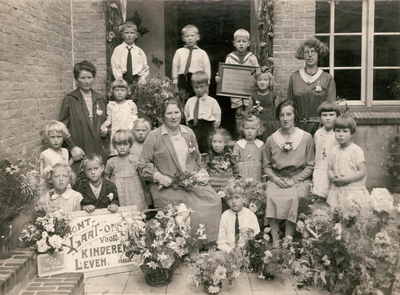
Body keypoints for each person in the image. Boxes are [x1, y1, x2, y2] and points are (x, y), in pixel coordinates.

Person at [138, 98, 221, 243]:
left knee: (214, 200)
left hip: (191, 184)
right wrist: (158, 176)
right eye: (169, 113)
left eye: (176, 112)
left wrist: (201, 172)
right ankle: (191, 247)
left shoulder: (188, 132)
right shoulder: (154, 136)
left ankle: (209, 243)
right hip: (169, 187)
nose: (173, 116)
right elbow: (142, 164)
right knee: (190, 213)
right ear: (162, 116)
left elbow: (197, 158)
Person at [262, 100, 315, 248]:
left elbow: (310, 165)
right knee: (270, 194)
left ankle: (288, 238)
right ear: (278, 117)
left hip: (298, 179)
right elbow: (266, 166)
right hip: (277, 178)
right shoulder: (271, 139)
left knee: (293, 196)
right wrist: (274, 179)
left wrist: (295, 180)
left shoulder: (305, 138)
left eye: (289, 114)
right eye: (281, 115)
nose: (285, 118)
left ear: (294, 116)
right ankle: (275, 239)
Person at [59, 60, 108, 172]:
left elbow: (107, 122)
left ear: (94, 77)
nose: (87, 81)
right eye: (83, 78)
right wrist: (72, 147)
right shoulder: (70, 99)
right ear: (76, 79)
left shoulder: (100, 99)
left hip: (98, 152)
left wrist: (106, 130)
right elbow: (61, 127)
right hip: (80, 153)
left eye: (90, 77)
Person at [287, 38, 336, 135]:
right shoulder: (294, 77)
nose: (310, 55)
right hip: (298, 128)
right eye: (306, 52)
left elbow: (331, 107)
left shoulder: (327, 78)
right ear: (303, 55)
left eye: (313, 52)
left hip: (320, 128)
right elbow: (289, 105)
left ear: (319, 54)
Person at [216, 29, 259, 138]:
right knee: (239, 112)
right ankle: (239, 134)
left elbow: (257, 72)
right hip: (235, 90)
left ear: (248, 43)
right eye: (238, 41)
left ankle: (248, 134)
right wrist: (219, 79)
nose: (241, 44)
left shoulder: (251, 57)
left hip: (248, 90)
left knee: (248, 111)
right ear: (234, 43)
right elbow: (225, 74)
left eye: (244, 41)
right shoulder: (230, 58)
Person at [327, 115, 371, 216]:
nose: (341, 134)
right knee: (337, 218)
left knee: (354, 218)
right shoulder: (333, 150)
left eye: (345, 131)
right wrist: (333, 177)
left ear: (352, 133)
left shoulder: (356, 150)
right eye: (338, 131)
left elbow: (362, 172)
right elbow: (329, 169)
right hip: (337, 190)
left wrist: (345, 180)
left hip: (353, 191)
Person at [104, 130, 146, 210]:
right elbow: (106, 177)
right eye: (119, 144)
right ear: (114, 145)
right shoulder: (111, 161)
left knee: (136, 212)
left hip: (134, 192)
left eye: (125, 144)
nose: (122, 147)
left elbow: (142, 177)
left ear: (130, 145)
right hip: (119, 191)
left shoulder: (135, 159)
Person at [217, 180, 260, 253]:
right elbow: (221, 242)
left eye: (237, 197)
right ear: (226, 201)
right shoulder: (225, 215)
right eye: (230, 198)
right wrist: (230, 251)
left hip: (247, 251)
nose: (233, 201)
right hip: (228, 252)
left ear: (243, 198)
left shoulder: (250, 215)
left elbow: (257, 237)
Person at [184, 71, 221, 153]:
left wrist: (211, 129)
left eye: (202, 86)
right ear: (192, 86)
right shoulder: (190, 101)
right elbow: (187, 115)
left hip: (207, 128)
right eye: (196, 87)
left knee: (207, 150)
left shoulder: (212, 101)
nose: (199, 90)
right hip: (193, 128)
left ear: (207, 85)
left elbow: (217, 117)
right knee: (193, 149)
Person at [101, 79, 138, 157]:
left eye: (122, 90)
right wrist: (103, 125)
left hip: (128, 134)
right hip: (116, 134)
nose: (120, 92)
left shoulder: (131, 104)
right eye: (117, 90)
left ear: (127, 91)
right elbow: (108, 120)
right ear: (112, 91)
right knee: (117, 157)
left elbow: (135, 121)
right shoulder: (111, 105)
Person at [172, 25, 211, 98]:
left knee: (197, 99)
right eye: (187, 36)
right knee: (182, 100)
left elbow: (207, 69)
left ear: (197, 37)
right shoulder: (179, 52)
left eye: (192, 35)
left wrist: (207, 85)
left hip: (197, 81)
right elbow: (175, 68)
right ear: (183, 38)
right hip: (182, 80)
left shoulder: (202, 53)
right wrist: (175, 83)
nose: (190, 38)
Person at [312, 102, 340, 198]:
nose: (328, 118)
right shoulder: (318, 133)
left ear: (337, 116)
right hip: (320, 168)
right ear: (320, 117)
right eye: (324, 115)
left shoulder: (338, 134)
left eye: (331, 115)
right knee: (319, 196)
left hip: (333, 170)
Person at [39, 121, 73, 194]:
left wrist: (72, 159)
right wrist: (47, 171)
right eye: (52, 137)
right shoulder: (46, 155)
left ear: (63, 137)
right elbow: (49, 174)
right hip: (52, 187)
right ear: (47, 138)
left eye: (59, 136)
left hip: (62, 183)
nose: (56, 140)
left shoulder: (65, 151)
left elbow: (65, 167)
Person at [249, 67, 278, 141]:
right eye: (259, 80)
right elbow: (247, 114)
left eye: (265, 80)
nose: (262, 82)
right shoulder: (253, 96)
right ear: (256, 81)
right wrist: (252, 112)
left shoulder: (274, 95)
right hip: (257, 126)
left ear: (270, 81)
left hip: (271, 126)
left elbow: (278, 113)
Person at [130, 118, 153, 208]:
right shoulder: (130, 144)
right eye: (137, 130)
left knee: (150, 190)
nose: (140, 133)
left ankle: (152, 207)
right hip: (136, 174)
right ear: (133, 131)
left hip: (148, 173)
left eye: (144, 130)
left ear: (149, 131)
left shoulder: (150, 143)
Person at [232, 116, 264, 181]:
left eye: (253, 128)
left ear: (258, 130)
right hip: (242, 174)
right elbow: (234, 162)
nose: (249, 131)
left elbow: (264, 161)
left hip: (256, 173)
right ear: (242, 129)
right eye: (247, 128)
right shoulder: (239, 144)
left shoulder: (261, 144)